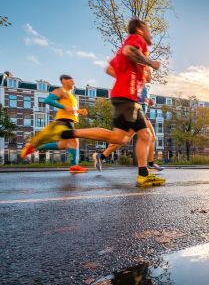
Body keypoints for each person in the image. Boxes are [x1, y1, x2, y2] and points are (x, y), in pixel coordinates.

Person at [25, 19, 165, 187]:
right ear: (140, 30)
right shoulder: (137, 40)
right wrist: (150, 63)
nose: (150, 34)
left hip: (130, 98)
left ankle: (143, 174)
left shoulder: (127, 48)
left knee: (142, 135)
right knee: (120, 137)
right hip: (125, 98)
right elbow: (129, 51)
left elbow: (109, 69)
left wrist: (129, 78)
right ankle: (70, 134)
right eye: (148, 29)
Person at [93, 71, 163, 172]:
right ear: (144, 73)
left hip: (140, 114)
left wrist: (149, 101)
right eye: (149, 73)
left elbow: (142, 100)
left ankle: (101, 156)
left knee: (124, 139)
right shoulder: (136, 82)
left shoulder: (145, 87)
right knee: (148, 136)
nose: (151, 76)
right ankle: (150, 163)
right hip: (134, 113)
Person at [21, 75, 88, 173]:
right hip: (63, 121)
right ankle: (74, 166)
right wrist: (64, 107)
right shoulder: (60, 91)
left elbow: (70, 109)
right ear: (63, 81)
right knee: (74, 142)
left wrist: (78, 111)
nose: (73, 83)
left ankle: (34, 147)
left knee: (64, 145)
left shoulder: (72, 96)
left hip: (70, 121)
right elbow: (48, 100)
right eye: (71, 81)